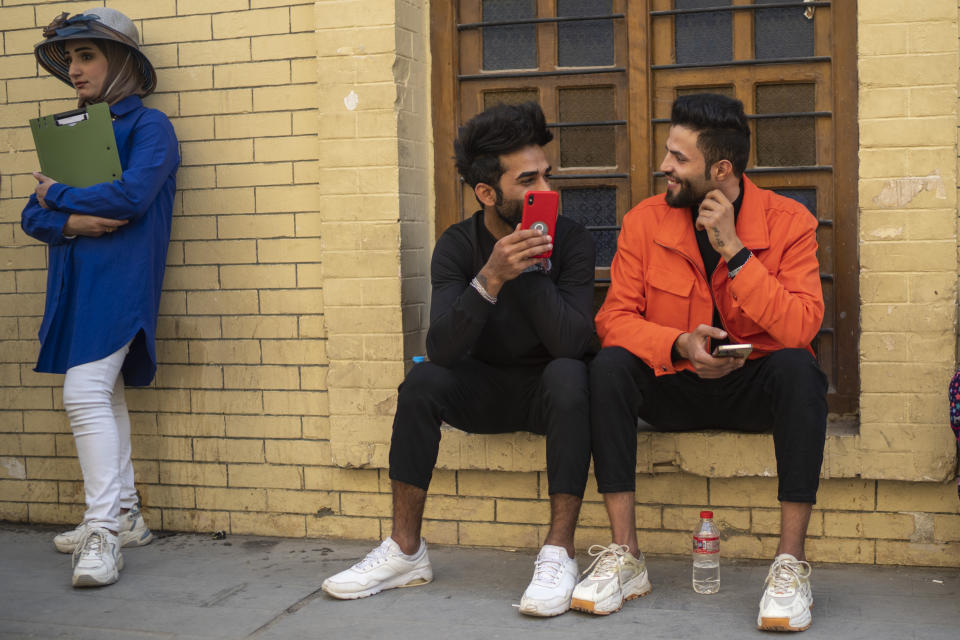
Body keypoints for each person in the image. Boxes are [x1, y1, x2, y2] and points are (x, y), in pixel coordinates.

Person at [321, 102, 597, 617]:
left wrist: (533, 268)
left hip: (549, 393)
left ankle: (558, 553)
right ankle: (406, 550)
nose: (548, 192)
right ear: (488, 193)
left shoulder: (573, 238)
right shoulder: (456, 245)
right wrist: (491, 277)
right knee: (421, 382)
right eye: (529, 180)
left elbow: (573, 343)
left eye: (548, 176)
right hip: (483, 391)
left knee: (569, 374)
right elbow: (443, 348)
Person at [577, 94, 827, 631]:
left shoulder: (790, 223)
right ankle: (626, 557)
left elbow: (801, 326)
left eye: (678, 158)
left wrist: (737, 252)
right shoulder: (644, 222)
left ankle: (789, 566)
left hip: (751, 389)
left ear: (721, 169)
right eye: (669, 153)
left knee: (801, 370)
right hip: (676, 384)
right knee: (609, 366)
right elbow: (613, 320)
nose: (664, 166)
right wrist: (677, 344)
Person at [21, 8, 179, 587]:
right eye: (71, 59)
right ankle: (128, 515)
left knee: (83, 394)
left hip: (121, 285)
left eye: (87, 56)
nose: (75, 70)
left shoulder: (150, 128)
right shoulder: (75, 132)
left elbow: (133, 195)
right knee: (103, 394)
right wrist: (72, 222)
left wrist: (60, 194)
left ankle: (103, 532)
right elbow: (30, 217)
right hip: (73, 284)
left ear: (123, 64)